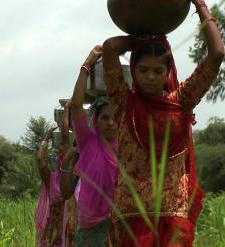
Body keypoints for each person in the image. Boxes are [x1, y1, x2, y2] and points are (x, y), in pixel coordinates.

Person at [102, 0, 224, 245]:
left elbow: (218, 53)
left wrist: (199, 5)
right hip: (131, 219)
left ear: (168, 72)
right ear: (133, 71)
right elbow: (110, 47)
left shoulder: (182, 100)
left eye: (158, 71)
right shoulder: (122, 101)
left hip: (173, 219)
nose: (150, 77)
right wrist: (142, 41)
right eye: (143, 69)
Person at [69, 45, 119, 247]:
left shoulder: (127, 146)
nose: (110, 123)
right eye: (105, 118)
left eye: (115, 118)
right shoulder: (88, 142)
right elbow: (77, 107)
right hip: (89, 228)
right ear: (96, 120)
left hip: (117, 224)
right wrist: (86, 66)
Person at [35, 103, 74, 246]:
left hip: (54, 231)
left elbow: (40, 159)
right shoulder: (74, 178)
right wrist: (67, 109)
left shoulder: (51, 181)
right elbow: (65, 136)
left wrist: (46, 138)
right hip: (70, 227)